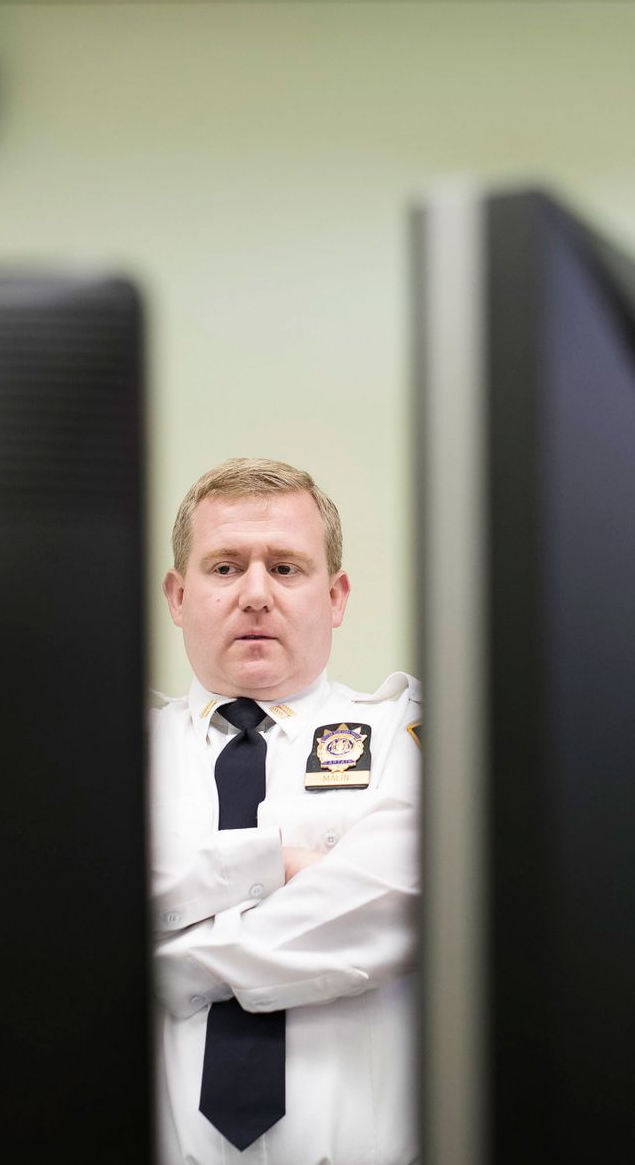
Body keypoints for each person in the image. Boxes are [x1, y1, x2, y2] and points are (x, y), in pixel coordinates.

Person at [148, 458, 420, 1165]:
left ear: (335, 595)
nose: (257, 594)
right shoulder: (111, 749)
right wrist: (270, 863)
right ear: (178, 595)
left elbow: (393, 899)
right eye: (226, 567)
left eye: (288, 568)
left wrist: (174, 965)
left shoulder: (404, 734)